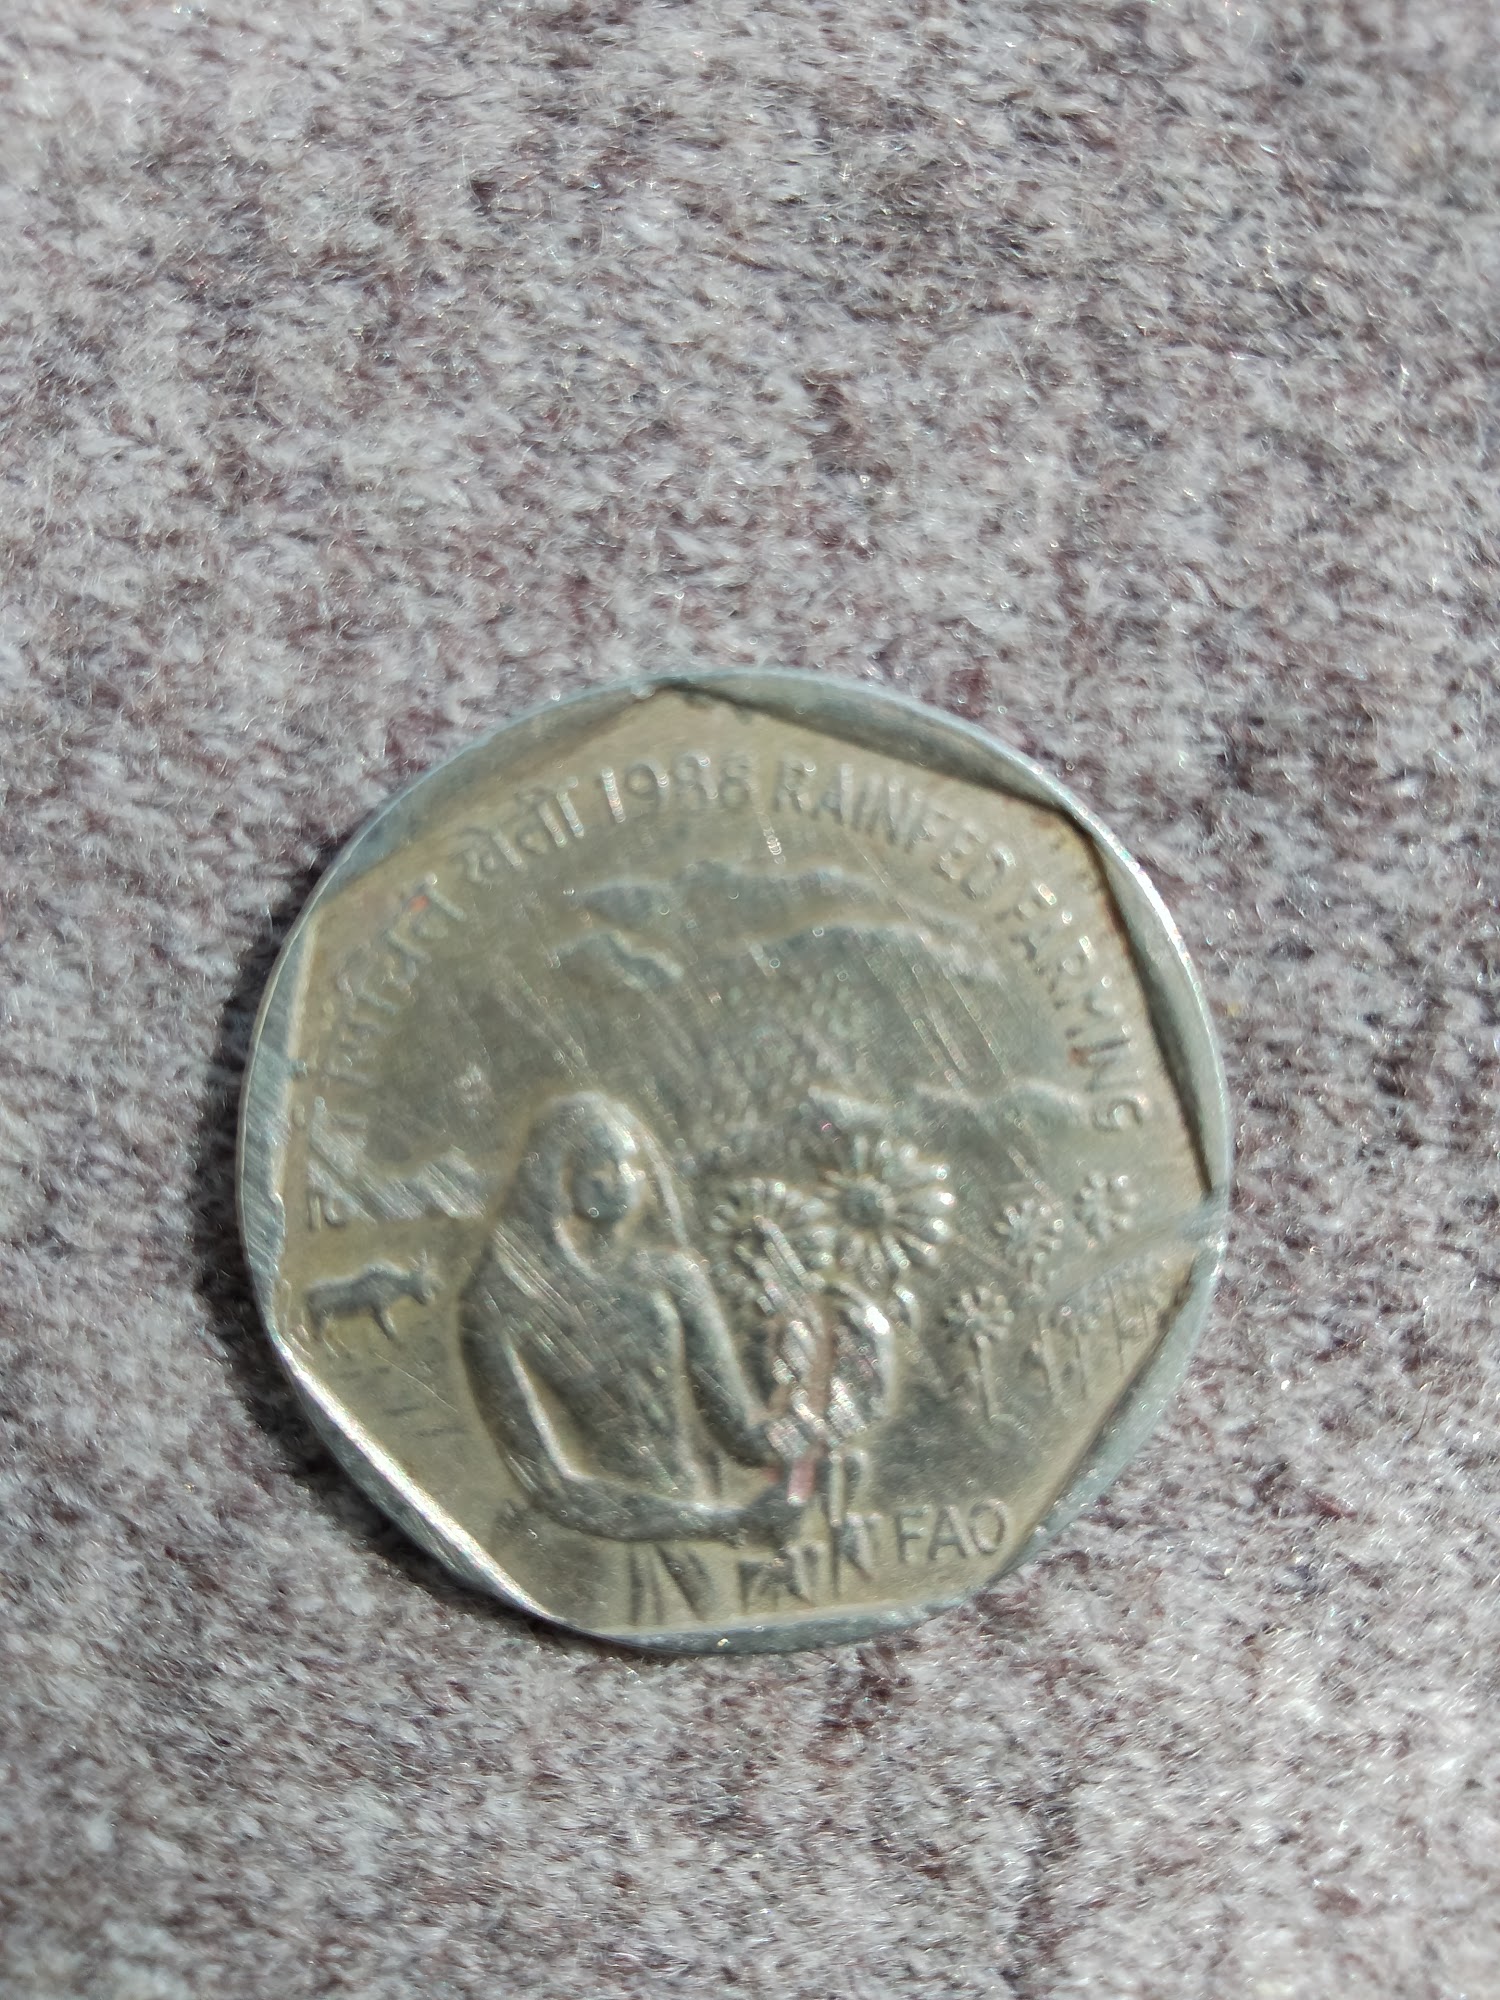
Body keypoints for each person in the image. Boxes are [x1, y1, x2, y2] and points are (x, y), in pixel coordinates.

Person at [460, 1093, 804, 1544]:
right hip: (602, 1542)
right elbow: (549, 1485)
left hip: (695, 1519)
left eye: (629, 1163)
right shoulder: (500, 1301)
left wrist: (805, 1416)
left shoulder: (675, 1276)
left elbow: (742, 1435)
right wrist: (722, 1523)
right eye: (598, 1166)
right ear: (553, 1176)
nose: (620, 1179)